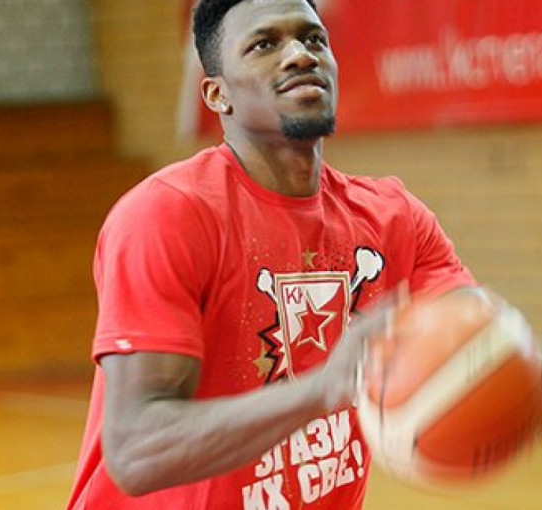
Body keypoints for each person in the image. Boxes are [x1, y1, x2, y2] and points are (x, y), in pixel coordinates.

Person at [66, 0, 476, 508]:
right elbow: (136, 451)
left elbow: (473, 330)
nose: (301, 54)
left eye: (314, 38)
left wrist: (506, 365)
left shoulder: (394, 218)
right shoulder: (167, 215)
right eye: (264, 44)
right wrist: (320, 389)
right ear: (217, 95)